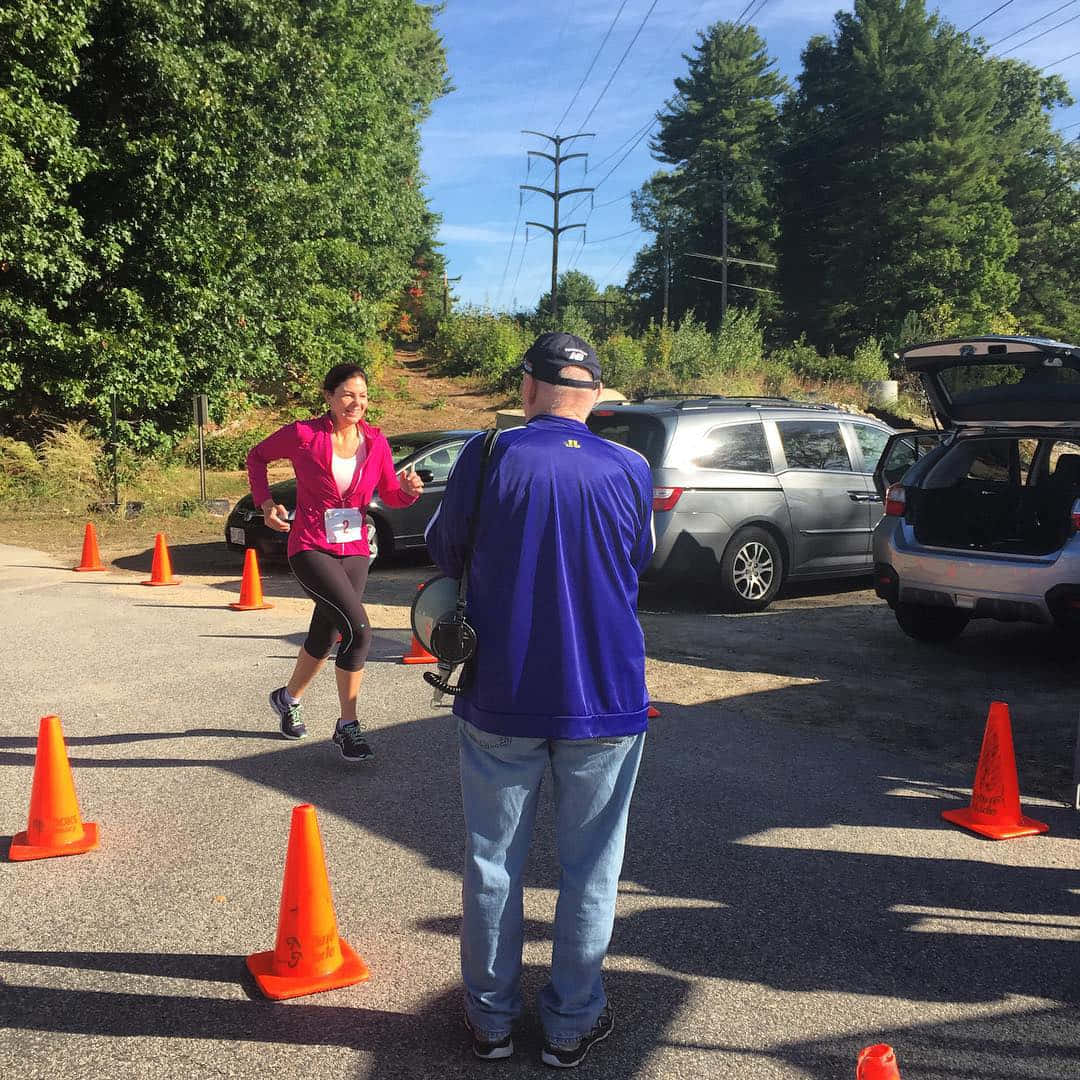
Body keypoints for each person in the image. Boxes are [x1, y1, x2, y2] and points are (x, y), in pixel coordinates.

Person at [425, 332, 654, 1067]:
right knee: (592, 867)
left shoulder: (488, 455)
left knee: (494, 860)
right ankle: (570, 1023)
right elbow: (637, 559)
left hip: (504, 691)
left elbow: (444, 550)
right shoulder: (631, 467)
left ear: (528, 389)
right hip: (609, 692)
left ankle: (490, 1020)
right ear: (594, 399)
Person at [246, 363, 423, 761]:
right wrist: (266, 503)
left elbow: (390, 494)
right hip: (310, 544)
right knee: (358, 629)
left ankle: (287, 697)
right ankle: (348, 725)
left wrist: (409, 492)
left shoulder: (376, 442)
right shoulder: (303, 434)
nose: (356, 402)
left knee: (327, 633)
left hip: (355, 548)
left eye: (362, 396)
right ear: (328, 397)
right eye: (347, 394)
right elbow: (256, 458)